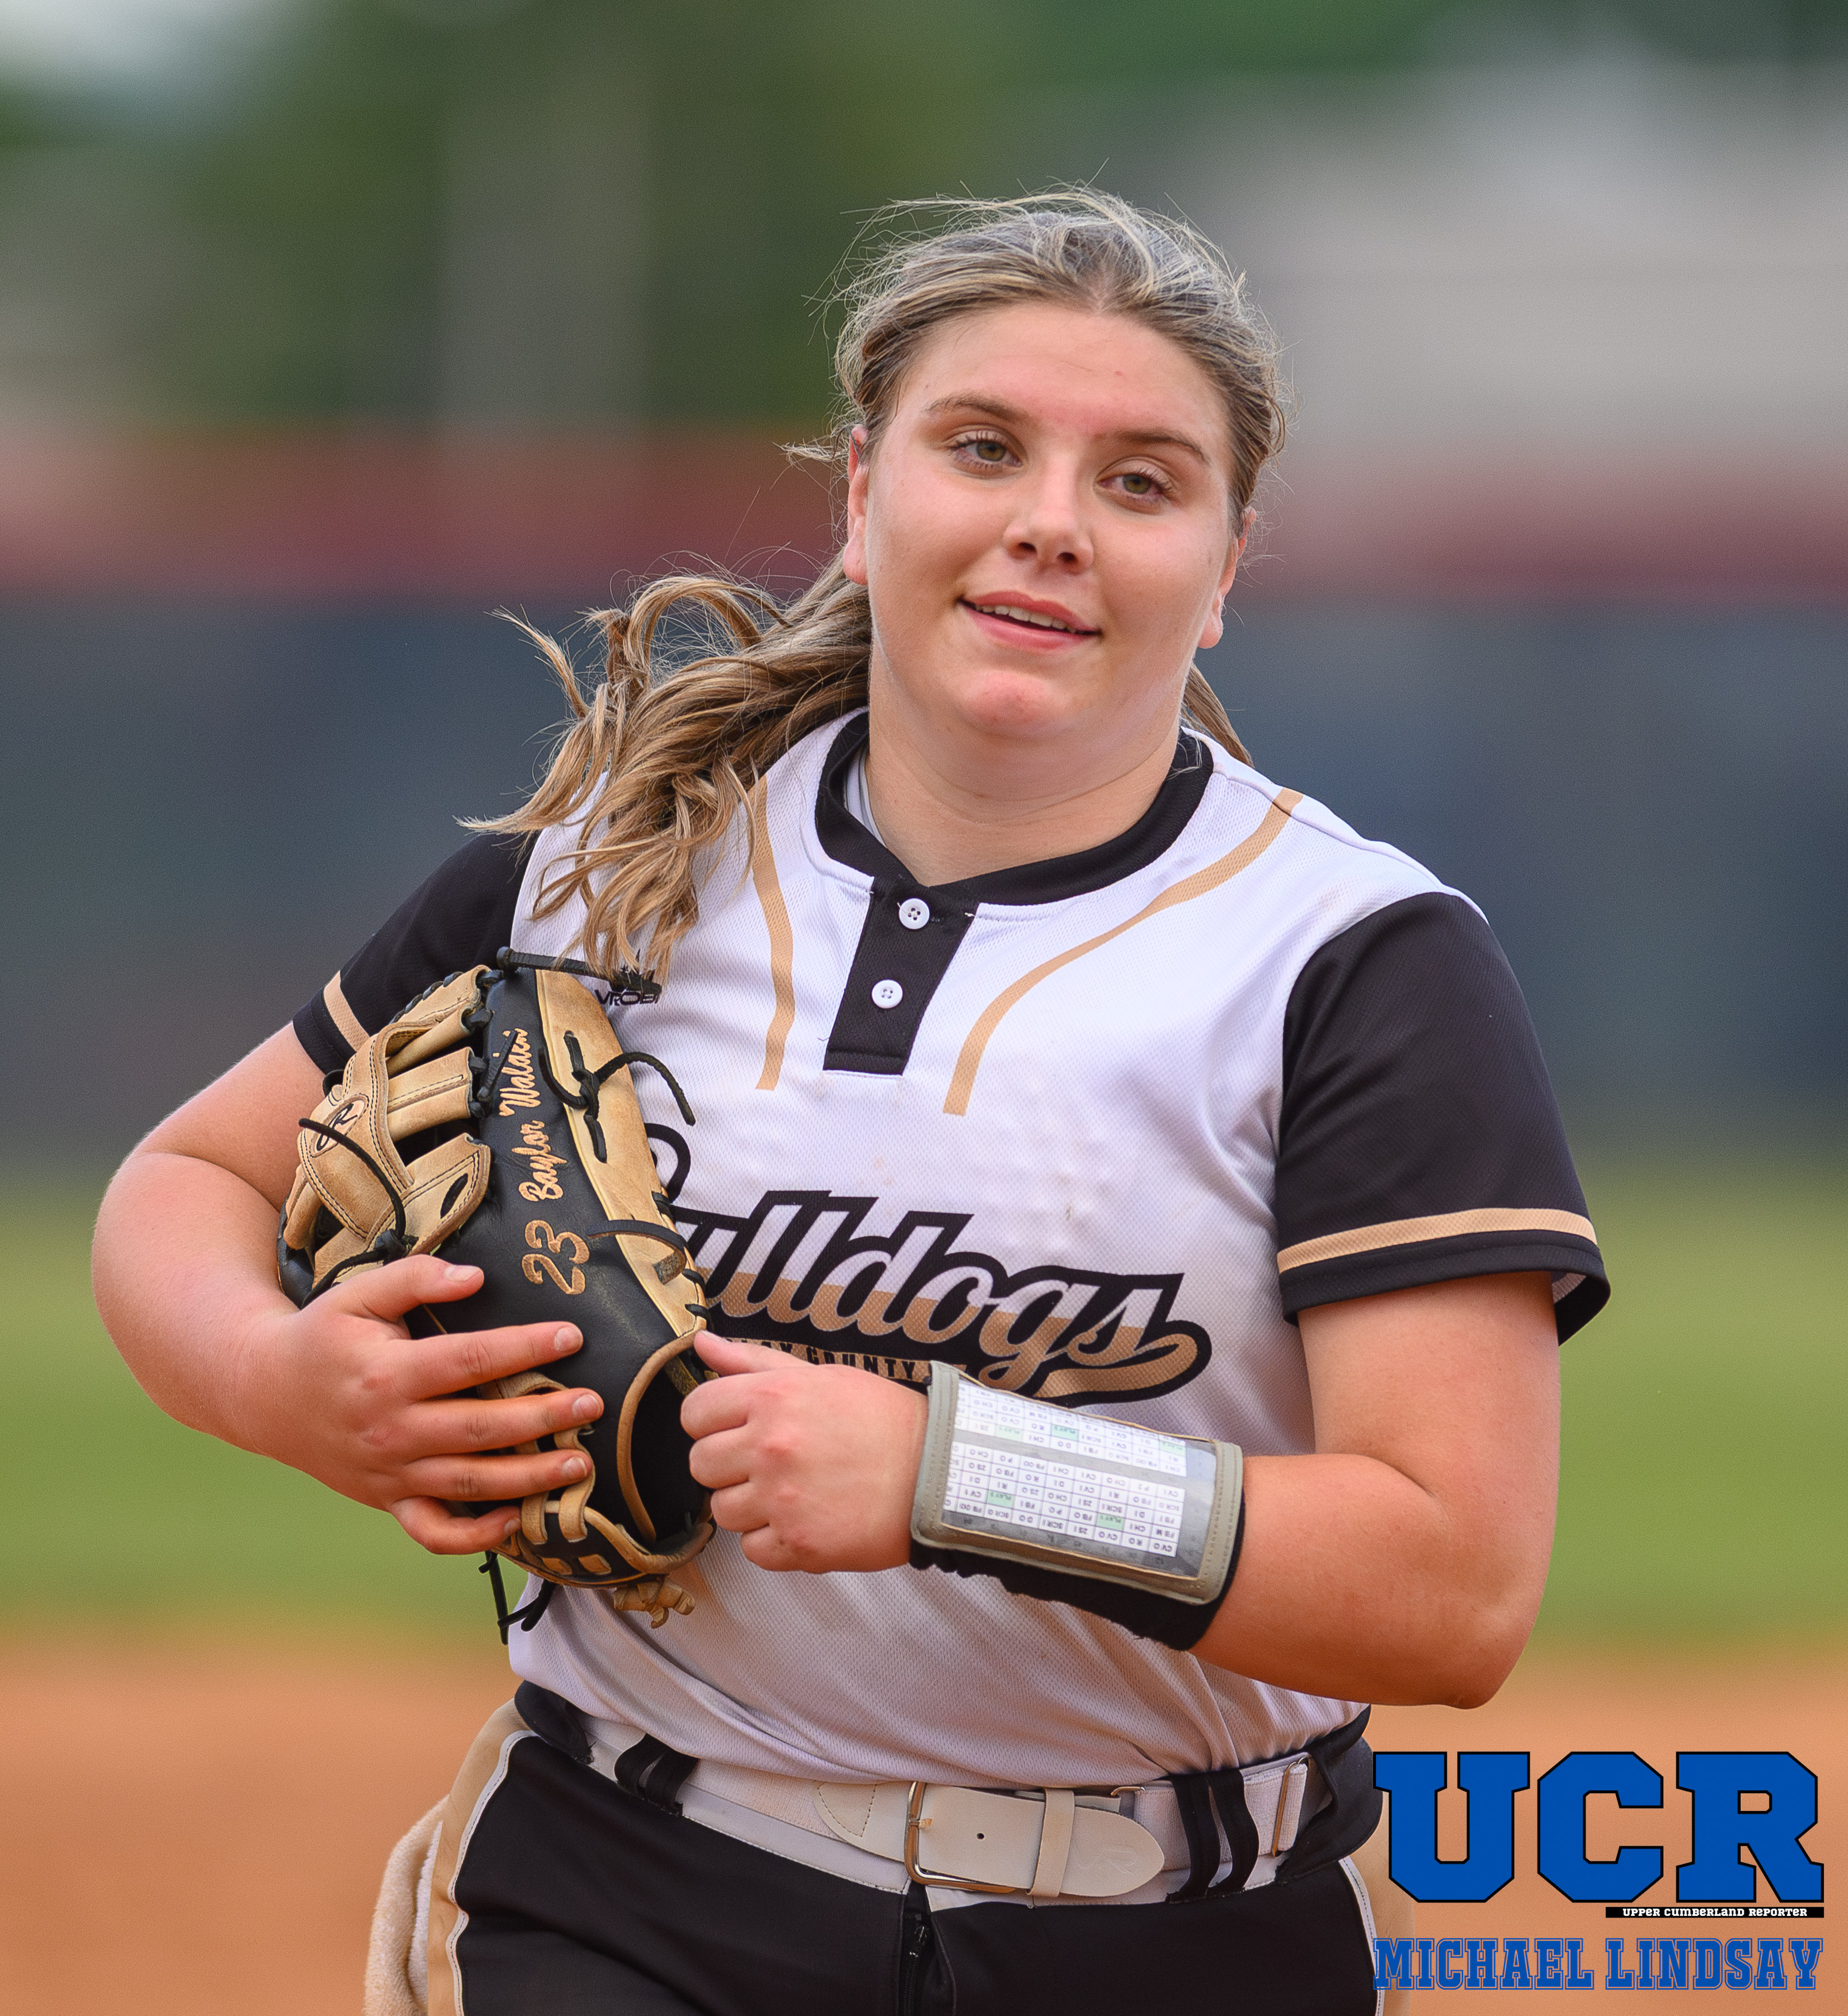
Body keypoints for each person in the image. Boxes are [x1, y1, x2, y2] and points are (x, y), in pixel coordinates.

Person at [93, 192, 1606, 2015]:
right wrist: (279, 1380)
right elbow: (185, 1181)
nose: (1053, 521)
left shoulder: (1347, 959)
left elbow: (1451, 1591)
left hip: (1182, 1934)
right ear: (864, 491)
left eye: (1142, 482)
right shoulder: (605, 878)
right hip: (629, 1890)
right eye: (984, 448)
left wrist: (958, 1478)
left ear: (1224, 569)